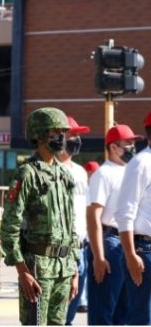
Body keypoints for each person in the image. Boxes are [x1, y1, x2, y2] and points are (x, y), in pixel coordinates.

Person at [0, 107, 79, 326]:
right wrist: (22, 270)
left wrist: (74, 269)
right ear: (40, 135)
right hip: (38, 268)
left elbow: (71, 225)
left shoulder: (65, 176)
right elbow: (9, 226)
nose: (62, 138)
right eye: (55, 133)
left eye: (63, 132)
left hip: (64, 266)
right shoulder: (27, 174)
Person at [86, 123, 138, 326]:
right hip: (110, 243)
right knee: (103, 312)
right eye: (128, 143)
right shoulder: (104, 174)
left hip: (128, 243)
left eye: (133, 143)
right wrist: (99, 256)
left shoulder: (132, 171)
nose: (132, 147)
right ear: (113, 147)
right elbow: (93, 216)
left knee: (124, 310)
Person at [117, 111, 151, 327]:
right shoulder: (140, 163)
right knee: (142, 319)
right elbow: (125, 213)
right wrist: (130, 254)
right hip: (144, 251)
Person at [59, 117, 91, 326]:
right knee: (57, 313)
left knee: (71, 311)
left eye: (79, 136)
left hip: (82, 247)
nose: (77, 140)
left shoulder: (79, 171)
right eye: (73, 135)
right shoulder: (49, 169)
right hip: (62, 249)